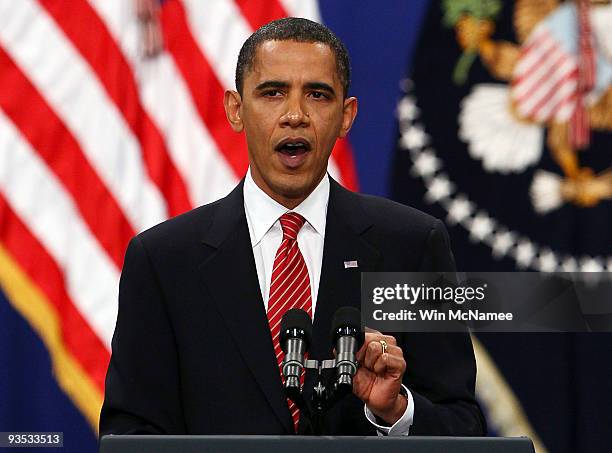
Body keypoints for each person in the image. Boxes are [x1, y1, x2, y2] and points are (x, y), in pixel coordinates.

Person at [100, 17, 485, 437]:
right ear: (235, 109)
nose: (295, 115)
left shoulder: (412, 247)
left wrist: (396, 411)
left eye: (318, 95)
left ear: (346, 116)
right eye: (272, 93)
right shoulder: (163, 261)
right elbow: (132, 433)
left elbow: (461, 426)